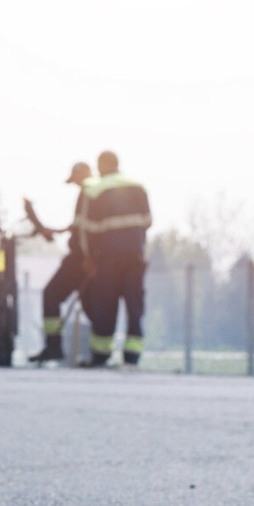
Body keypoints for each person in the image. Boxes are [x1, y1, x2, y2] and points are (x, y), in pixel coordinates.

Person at [75, 151, 152, 367]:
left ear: (101, 165)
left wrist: (89, 258)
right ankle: (132, 357)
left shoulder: (94, 189)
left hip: (108, 258)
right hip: (135, 256)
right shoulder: (138, 186)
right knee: (134, 306)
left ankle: (101, 355)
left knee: (104, 306)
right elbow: (147, 221)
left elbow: (87, 230)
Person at [27, 161, 94, 364]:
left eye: (76, 179)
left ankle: (54, 346)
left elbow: (84, 230)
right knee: (91, 304)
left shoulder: (89, 192)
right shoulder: (89, 194)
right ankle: (97, 353)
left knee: (51, 294)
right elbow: (77, 226)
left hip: (81, 259)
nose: (75, 184)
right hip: (86, 257)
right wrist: (54, 231)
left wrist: (88, 257)